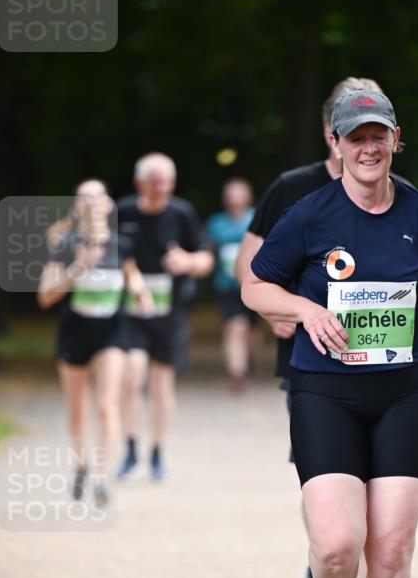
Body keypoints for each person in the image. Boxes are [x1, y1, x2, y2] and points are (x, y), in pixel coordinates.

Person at [242, 88, 418, 578]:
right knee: (338, 546)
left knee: (391, 545)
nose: (368, 148)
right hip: (326, 394)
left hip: (404, 392)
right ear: (336, 146)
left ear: (396, 140)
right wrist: (306, 308)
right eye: (355, 137)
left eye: (379, 135)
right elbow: (257, 285)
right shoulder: (311, 214)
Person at [38, 179, 150, 506]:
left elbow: (133, 276)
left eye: (96, 198)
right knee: (77, 408)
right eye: (83, 198)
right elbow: (45, 296)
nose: (90, 204)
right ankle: (82, 465)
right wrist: (77, 268)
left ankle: (102, 477)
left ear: (109, 205)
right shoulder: (64, 244)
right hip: (74, 334)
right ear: (76, 206)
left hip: (112, 333)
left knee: (106, 404)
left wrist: (141, 294)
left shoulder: (121, 244)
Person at [117, 153, 214, 480]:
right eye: (156, 181)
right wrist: (131, 278)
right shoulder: (124, 212)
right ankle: (130, 448)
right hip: (132, 309)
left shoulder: (182, 213)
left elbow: (205, 260)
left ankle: (157, 451)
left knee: (161, 386)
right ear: (140, 182)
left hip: (170, 310)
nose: (163, 187)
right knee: (131, 375)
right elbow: (110, 254)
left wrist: (187, 262)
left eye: (167, 181)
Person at [206, 178, 261, 392]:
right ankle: (237, 372)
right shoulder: (216, 223)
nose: (233, 198)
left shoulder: (257, 218)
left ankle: (251, 359)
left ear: (248, 196)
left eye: (238, 193)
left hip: (255, 284)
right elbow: (208, 250)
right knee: (234, 327)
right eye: (229, 194)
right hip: (227, 286)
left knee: (251, 332)